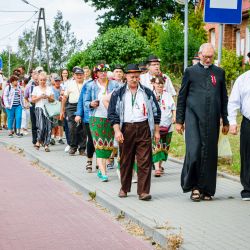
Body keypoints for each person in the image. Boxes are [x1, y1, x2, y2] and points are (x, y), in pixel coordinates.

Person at [176, 43, 229, 201]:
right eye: (205, 56)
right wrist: (179, 120)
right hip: (193, 117)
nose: (207, 59)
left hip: (212, 118)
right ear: (199, 55)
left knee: (210, 154)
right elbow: (182, 97)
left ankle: (206, 189)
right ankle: (194, 187)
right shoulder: (190, 72)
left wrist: (225, 120)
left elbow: (223, 98)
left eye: (211, 57)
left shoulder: (219, 73)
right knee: (195, 150)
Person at [108, 64, 161, 200]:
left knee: (144, 161)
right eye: (131, 76)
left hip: (143, 127)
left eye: (137, 76)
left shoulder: (147, 92)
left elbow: (156, 112)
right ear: (126, 76)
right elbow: (112, 113)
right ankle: (124, 188)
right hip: (126, 128)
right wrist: (117, 131)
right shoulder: (118, 93)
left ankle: (143, 191)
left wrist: (156, 131)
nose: (134, 79)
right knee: (126, 160)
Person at [85, 63, 118, 181]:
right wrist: (90, 104)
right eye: (100, 71)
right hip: (96, 118)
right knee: (99, 144)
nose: (103, 73)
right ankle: (103, 172)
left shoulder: (115, 84)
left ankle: (100, 169)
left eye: (104, 71)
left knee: (108, 145)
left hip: (111, 118)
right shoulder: (91, 86)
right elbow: (85, 102)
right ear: (96, 74)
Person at [228, 70, 250, 201]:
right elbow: (233, 102)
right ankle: (248, 189)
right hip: (248, 121)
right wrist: (232, 122)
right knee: (247, 155)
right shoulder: (243, 79)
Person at [151, 76, 176, 177]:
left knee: (164, 147)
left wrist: (174, 117)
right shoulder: (150, 95)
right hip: (156, 126)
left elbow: (173, 108)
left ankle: (159, 166)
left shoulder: (168, 95)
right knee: (157, 146)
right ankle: (156, 168)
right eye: (157, 84)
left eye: (161, 84)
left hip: (168, 126)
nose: (160, 86)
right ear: (153, 84)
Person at [60, 68, 87, 156]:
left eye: (81, 74)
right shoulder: (70, 84)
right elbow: (64, 98)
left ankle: (82, 148)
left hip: (84, 106)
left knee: (83, 128)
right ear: (74, 76)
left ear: (84, 75)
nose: (79, 76)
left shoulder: (87, 84)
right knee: (72, 128)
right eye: (77, 74)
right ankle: (73, 147)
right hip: (72, 107)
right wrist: (62, 110)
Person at [32, 72, 54, 152]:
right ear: (38, 80)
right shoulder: (36, 88)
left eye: (44, 80)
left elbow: (52, 100)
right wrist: (40, 97)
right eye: (41, 80)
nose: (42, 81)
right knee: (41, 126)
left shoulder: (49, 88)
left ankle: (46, 144)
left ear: (46, 80)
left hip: (48, 109)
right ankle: (38, 141)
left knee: (48, 127)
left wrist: (47, 96)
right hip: (39, 108)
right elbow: (33, 100)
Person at [25, 70, 39, 146]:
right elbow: (26, 96)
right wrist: (29, 102)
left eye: (38, 76)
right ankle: (34, 140)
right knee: (34, 124)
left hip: (40, 105)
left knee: (40, 123)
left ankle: (41, 139)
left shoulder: (42, 84)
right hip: (33, 105)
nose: (37, 79)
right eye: (35, 76)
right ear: (32, 77)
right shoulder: (29, 86)